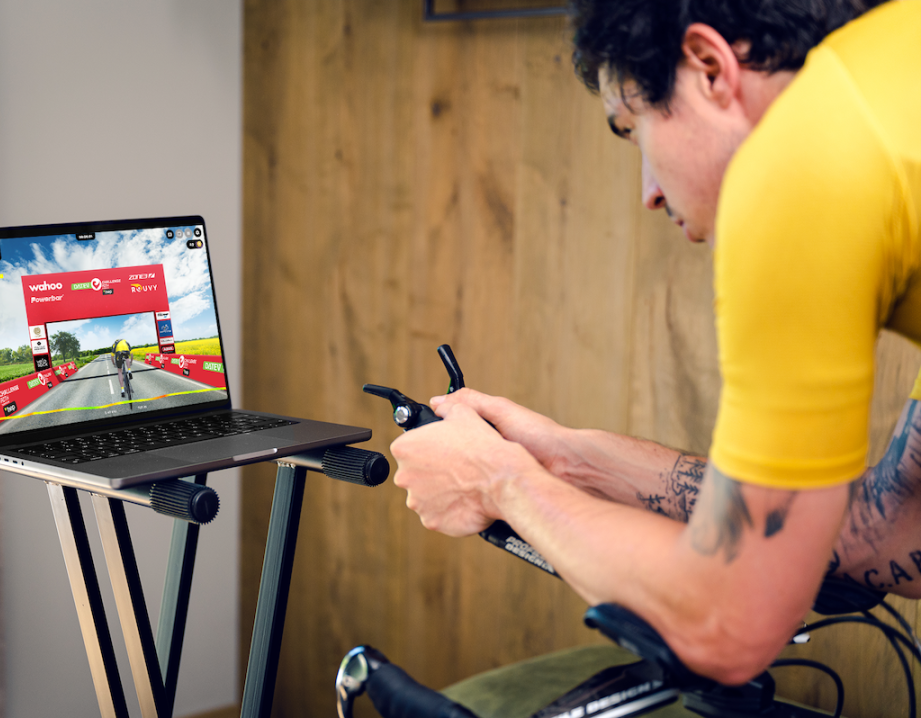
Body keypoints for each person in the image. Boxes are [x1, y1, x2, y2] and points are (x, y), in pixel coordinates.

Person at [390, 0, 920, 686]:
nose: (647, 191)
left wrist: (498, 483)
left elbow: (728, 625)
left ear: (709, 66)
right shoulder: (890, 81)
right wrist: (566, 458)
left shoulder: (800, 164)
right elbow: (896, 527)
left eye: (632, 128)